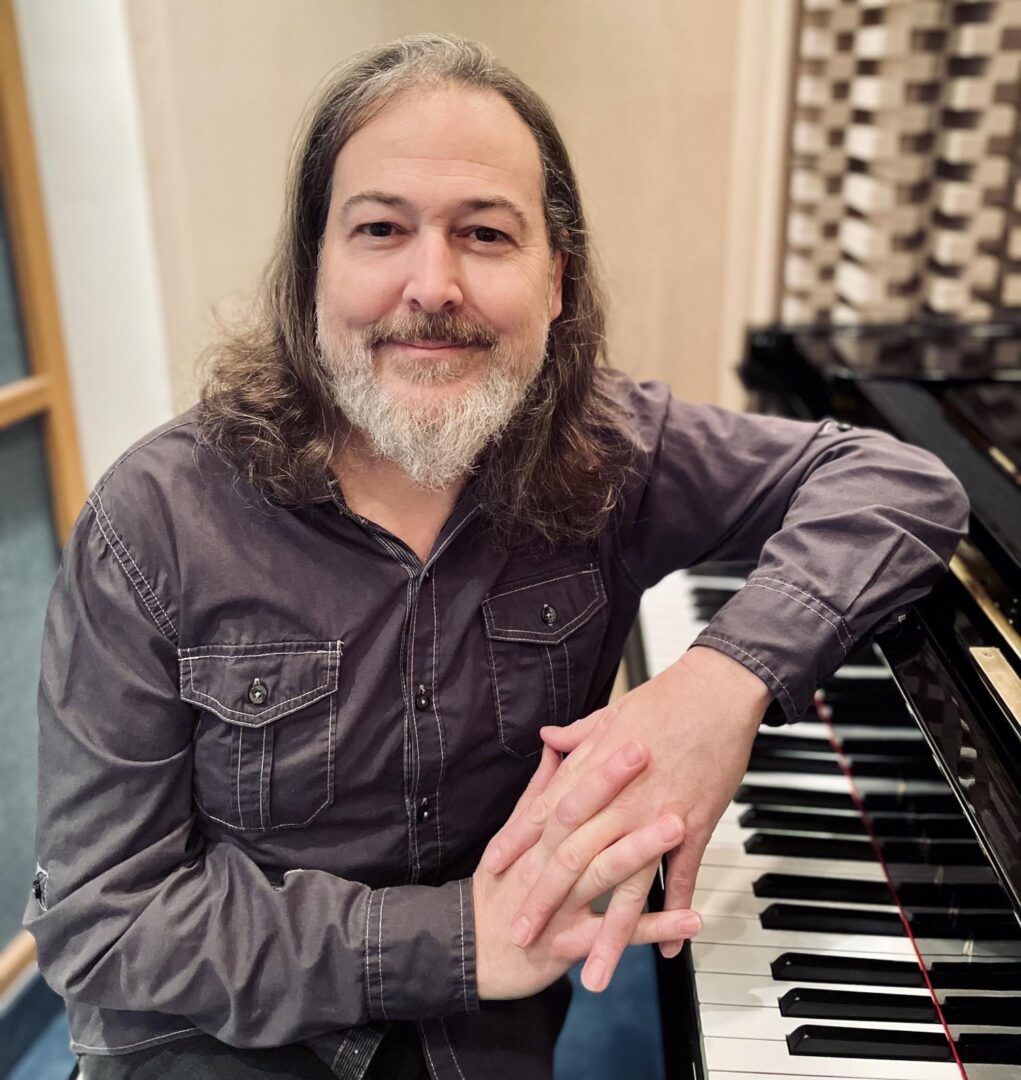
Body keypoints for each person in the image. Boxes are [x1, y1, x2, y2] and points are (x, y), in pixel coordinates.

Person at [26, 32, 968, 1080]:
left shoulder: (612, 452)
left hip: (481, 1053)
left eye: (484, 234)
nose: (432, 284)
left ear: (555, 279)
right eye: (381, 228)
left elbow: (905, 484)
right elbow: (106, 925)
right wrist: (457, 940)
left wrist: (721, 681)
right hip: (219, 1052)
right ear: (312, 273)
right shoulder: (153, 522)